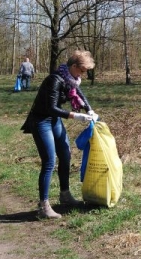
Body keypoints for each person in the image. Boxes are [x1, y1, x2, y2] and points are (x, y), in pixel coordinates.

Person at [21, 50, 99, 219]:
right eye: (82, 71)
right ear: (74, 66)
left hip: (54, 121)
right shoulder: (55, 80)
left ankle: (65, 195)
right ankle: (43, 206)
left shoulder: (71, 80)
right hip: (41, 121)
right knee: (49, 161)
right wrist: (75, 116)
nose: (83, 75)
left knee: (65, 155)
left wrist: (89, 109)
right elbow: (51, 108)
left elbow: (79, 93)